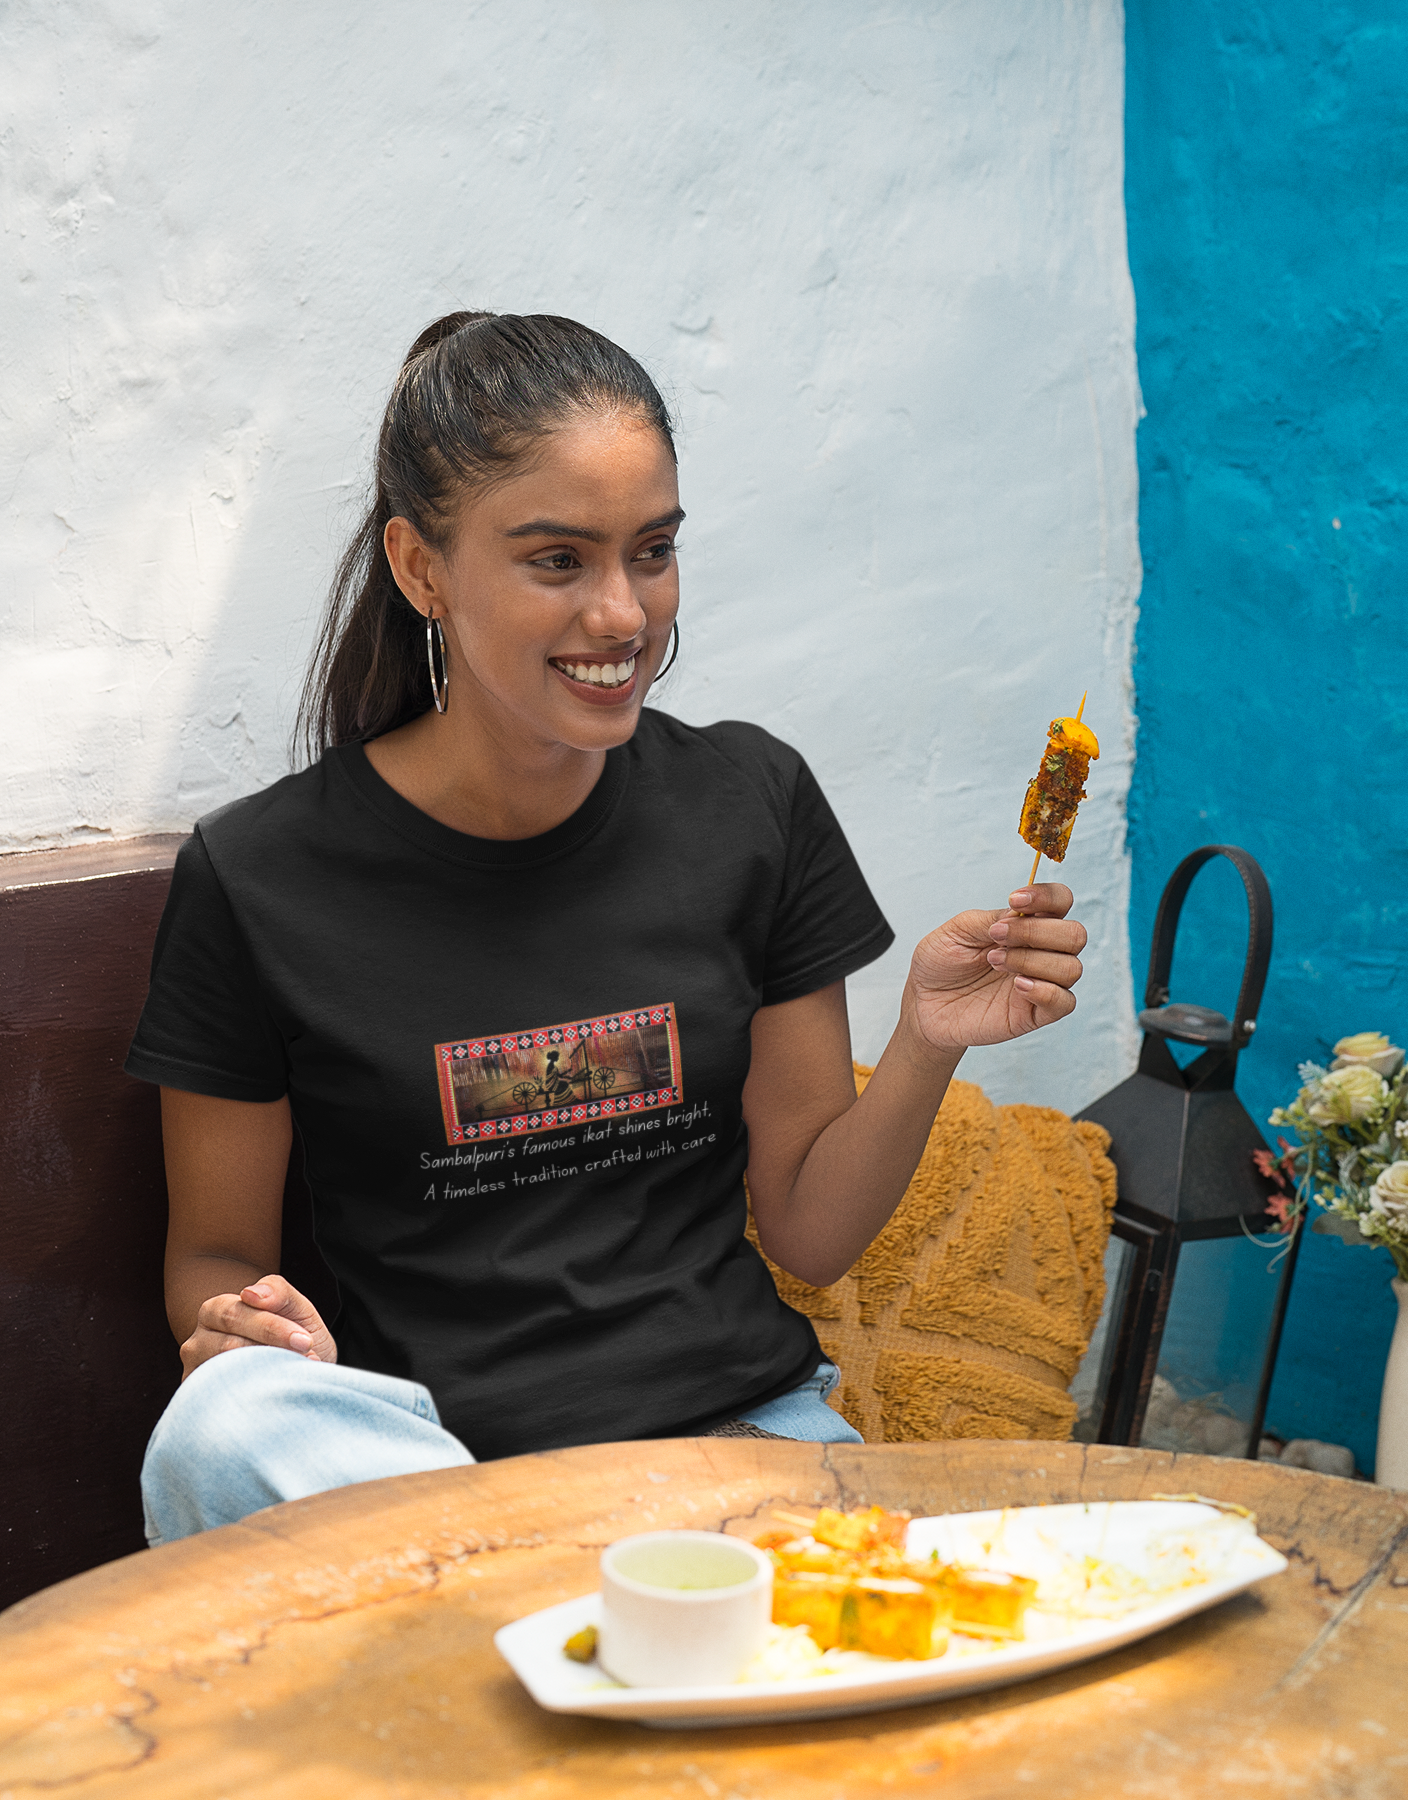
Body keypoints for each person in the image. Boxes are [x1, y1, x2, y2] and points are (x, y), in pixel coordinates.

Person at [128, 311, 1087, 1547]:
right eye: (558, 561)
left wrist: (925, 1040)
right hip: (438, 1486)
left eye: (653, 551)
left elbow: (809, 1231)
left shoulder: (751, 805)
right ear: (421, 569)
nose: (625, 613)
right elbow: (212, 1258)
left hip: (735, 1455)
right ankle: (541, 1614)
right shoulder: (260, 877)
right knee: (219, 1429)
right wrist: (243, 1334)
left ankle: (559, 1635)